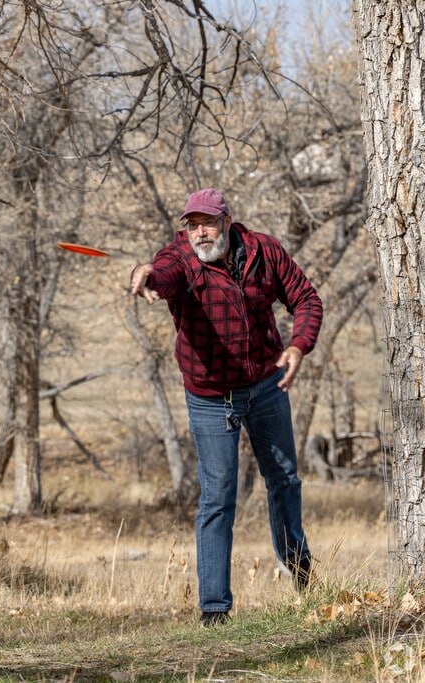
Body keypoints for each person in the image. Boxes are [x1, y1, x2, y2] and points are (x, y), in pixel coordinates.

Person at [129, 188, 323, 627]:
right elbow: (162, 272)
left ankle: (303, 577)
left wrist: (297, 346)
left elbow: (306, 299)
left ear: (227, 222)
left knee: (285, 481)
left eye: (208, 222)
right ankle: (215, 610)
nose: (200, 232)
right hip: (210, 397)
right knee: (218, 498)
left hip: (266, 386)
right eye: (192, 224)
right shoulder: (180, 258)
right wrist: (146, 274)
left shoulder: (265, 252)